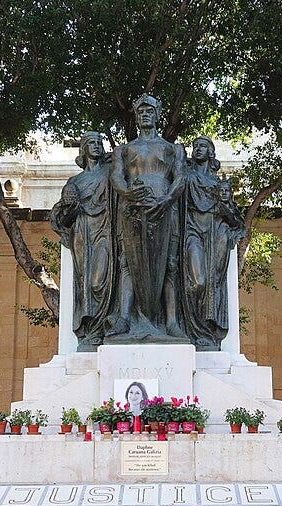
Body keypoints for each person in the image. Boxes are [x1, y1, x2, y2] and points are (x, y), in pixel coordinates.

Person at [110, 93, 188, 342]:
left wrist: (167, 199)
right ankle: (124, 318)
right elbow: (116, 176)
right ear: (136, 116)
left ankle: (172, 322)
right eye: (141, 111)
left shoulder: (172, 149)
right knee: (127, 263)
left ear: (157, 114)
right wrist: (127, 192)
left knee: (170, 264)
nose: (145, 114)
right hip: (132, 208)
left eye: (149, 111)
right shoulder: (124, 150)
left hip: (165, 208)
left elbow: (180, 178)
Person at [49, 132, 116, 350]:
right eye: (91, 143)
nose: (96, 146)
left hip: (105, 230)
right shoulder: (74, 182)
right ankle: (91, 331)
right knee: (84, 280)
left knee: (100, 280)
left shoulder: (110, 172)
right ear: (83, 149)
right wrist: (71, 204)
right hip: (82, 232)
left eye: (99, 143)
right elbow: (64, 218)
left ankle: (105, 324)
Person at [182, 135, 245, 350]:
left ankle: (206, 332)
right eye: (195, 146)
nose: (198, 149)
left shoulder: (219, 185)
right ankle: (192, 327)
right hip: (192, 233)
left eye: (202, 146)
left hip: (215, 235)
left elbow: (234, 219)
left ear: (210, 152)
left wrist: (224, 207)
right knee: (197, 281)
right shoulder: (186, 177)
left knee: (213, 282)